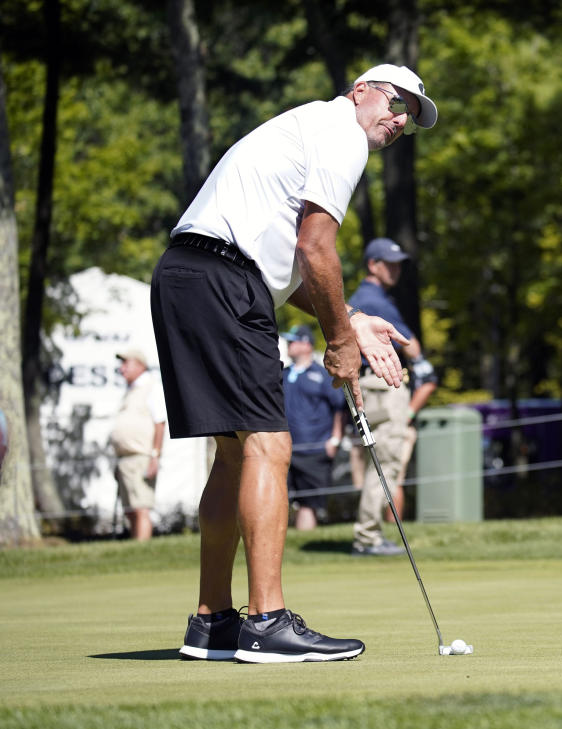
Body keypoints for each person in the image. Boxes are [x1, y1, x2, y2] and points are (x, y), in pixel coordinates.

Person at [151, 63, 438, 663]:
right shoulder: (342, 134)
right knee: (268, 445)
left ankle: (213, 621)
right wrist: (340, 344)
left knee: (235, 453)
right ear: (361, 90)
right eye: (396, 102)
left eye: (410, 116)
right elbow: (316, 245)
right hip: (226, 283)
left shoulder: (306, 126)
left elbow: (291, 264)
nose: (400, 118)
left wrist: (349, 317)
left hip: (188, 275)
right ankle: (267, 622)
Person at [348, 237, 438, 556]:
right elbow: (410, 345)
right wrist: (421, 359)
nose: (396, 269)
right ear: (373, 265)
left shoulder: (366, 297)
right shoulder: (376, 300)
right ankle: (368, 536)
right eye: (389, 263)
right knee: (385, 462)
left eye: (399, 263)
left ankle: (369, 534)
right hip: (384, 386)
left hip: (373, 387)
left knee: (381, 461)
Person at [281, 325, 344, 530]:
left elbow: (339, 407)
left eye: (294, 341)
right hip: (284, 449)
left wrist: (334, 439)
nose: (290, 345)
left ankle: (302, 548)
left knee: (309, 504)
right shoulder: (281, 374)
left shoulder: (322, 374)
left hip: (314, 450)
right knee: (279, 500)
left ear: (307, 345)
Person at [109, 349, 167, 541]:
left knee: (141, 507)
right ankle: (136, 547)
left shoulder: (151, 387)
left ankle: (143, 550)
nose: (122, 368)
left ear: (140, 365)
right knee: (130, 510)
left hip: (142, 457)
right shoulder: (130, 390)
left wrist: (155, 455)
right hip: (125, 459)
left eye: (126, 363)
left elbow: (160, 423)